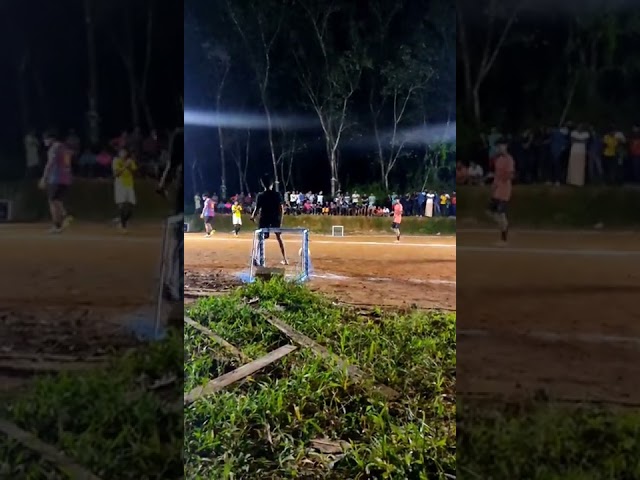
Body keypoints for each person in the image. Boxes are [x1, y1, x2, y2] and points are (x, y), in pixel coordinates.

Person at [39, 129, 73, 233]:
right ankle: (63, 219)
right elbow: (68, 164)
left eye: (45, 139)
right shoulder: (65, 148)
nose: (44, 142)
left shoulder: (54, 148)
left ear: (50, 139)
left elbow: (50, 163)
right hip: (66, 179)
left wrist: (44, 178)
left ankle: (57, 225)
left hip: (55, 178)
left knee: (52, 202)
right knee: (58, 201)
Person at [251, 174, 289, 265]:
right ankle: (285, 259)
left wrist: (252, 216)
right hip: (275, 219)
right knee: (279, 237)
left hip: (264, 219)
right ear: (272, 184)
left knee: (260, 238)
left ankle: (255, 257)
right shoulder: (277, 194)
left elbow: (257, 209)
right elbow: (281, 208)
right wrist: (280, 220)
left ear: (262, 184)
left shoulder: (260, 195)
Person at [488, 138, 515, 245]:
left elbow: (510, 174)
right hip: (497, 189)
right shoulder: (498, 159)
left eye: (501, 146)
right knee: (490, 211)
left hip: (504, 190)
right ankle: (505, 227)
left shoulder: (509, 159)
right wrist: (494, 185)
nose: (499, 148)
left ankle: (504, 238)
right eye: (498, 146)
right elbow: (496, 174)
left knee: (501, 213)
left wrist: (504, 178)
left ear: (506, 146)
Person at [112, 148, 138, 232]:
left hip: (130, 184)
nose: (123, 154)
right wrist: (125, 166)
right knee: (122, 205)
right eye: (121, 152)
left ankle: (123, 221)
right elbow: (116, 174)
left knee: (132, 206)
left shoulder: (130, 161)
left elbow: (135, 172)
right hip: (120, 184)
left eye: (125, 152)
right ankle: (123, 226)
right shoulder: (116, 161)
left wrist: (129, 165)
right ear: (119, 153)